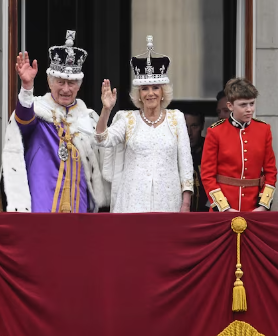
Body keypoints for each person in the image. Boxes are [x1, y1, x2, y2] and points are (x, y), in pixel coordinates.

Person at [0, 30, 108, 213]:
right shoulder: (38, 111)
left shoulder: (87, 118)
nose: (66, 89)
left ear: (79, 86)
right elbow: (23, 122)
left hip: (79, 202)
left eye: (71, 83)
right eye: (60, 82)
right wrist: (27, 88)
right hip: (41, 200)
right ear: (50, 83)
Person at [95, 35, 194, 213]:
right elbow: (102, 139)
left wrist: (186, 203)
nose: (150, 93)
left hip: (168, 200)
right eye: (144, 89)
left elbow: (186, 165)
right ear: (138, 94)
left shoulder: (176, 118)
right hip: (132, 201)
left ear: (163, 92)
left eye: (155, 87)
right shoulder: (127, 119)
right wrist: (106, 109)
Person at [201, 78, 276, 212]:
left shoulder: (263, 130)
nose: (249, 109)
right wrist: (224, 208)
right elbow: (207, 175)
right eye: (243, 105)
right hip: (224, 207)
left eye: (252, 104)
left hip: (255, 208)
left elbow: (271, 172)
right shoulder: (215, 132)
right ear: (230, 106)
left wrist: (263, 206)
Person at [184, 111, 209, 212]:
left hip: (207, 214)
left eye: (194, 126)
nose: (189, 133)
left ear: (202, 126)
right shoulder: (173, 152)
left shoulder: (210, 150)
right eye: (185, 127)